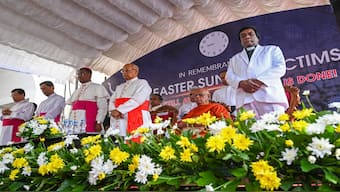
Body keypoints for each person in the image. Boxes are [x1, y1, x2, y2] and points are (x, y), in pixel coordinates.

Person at [227, 26, 288, 118]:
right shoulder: (234, 59)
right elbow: (229, 77)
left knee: (277, 129)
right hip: (245, 100)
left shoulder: (272, 50)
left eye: (250, 34)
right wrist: (241, 83)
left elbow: (279, 68)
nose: (247, 37)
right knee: (251, 131)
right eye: (243, 36)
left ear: (257, 38)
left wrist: (258, 81)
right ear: (241, 41)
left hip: (270, 97)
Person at [109, 63, 152, 142]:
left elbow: (138, 99)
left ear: (135, 72)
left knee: (137, 142)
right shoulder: (120, 86)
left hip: (137, 116)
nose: (124, 73)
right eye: (123, 71)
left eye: (127, 71)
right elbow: (112, 101)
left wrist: (119, 110)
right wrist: (113, 111)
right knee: (120, 141)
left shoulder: (142, 83)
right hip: (120, 117)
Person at [67, 67, 109, 133]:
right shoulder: (77, 91)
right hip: (75, 122)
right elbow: (72, 108)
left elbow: (103, 107)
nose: (79, 76)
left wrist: (99, 121)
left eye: (82, 73)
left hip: (89, 120)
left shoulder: (97, 87)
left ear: (89, 75)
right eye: (78, 74)